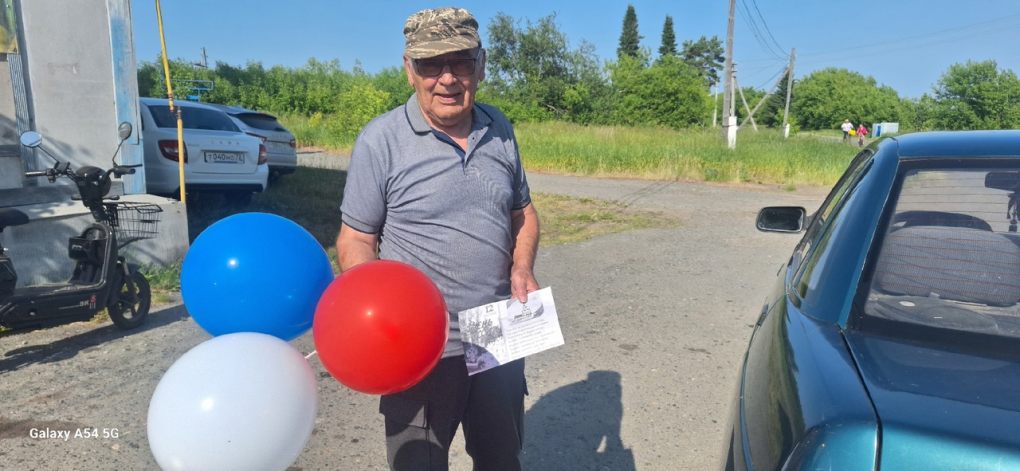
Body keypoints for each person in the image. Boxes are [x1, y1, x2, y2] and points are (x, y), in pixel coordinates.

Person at [336, 7, 540, 471]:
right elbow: (356, 239)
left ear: (481, 65)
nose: (447, 78)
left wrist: (522, 265)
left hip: (497, 331)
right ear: (409, 69)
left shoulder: (499, 128)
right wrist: (380, 314)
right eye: (431, 64)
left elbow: (523, 213)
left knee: (501, 459)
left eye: (461, 62)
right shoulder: (381, 140)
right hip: (420, 344)